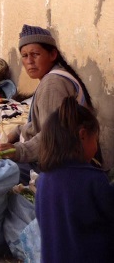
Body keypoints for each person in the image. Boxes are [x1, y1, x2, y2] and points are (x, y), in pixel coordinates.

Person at [0, 25, 95, 169]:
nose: (29, 61)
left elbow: (53, 135)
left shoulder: (52, 84)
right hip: (58, 154)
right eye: (24, 56)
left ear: (53, 55)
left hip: (61, 162)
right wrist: (18, 131)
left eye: (35, 54)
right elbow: (47, 122)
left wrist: (19, 151)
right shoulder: (55, 77)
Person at [35, 96, 114, 262]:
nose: (96, 146)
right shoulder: (93, 180)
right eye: (96, 139)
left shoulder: (43, 180)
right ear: (83, 135)